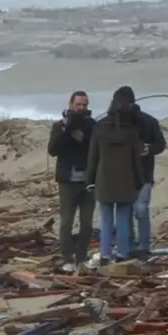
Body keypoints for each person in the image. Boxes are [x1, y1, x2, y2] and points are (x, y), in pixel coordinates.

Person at [85, 87, 146, 264]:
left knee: (105, 219)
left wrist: (90, 180)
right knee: (122, 219)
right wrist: (139, 180)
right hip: (126, 181)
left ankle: (105, 255)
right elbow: (136, 160)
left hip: (104, 180)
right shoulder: (131, 130)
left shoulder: (99, 127)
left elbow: (93, 156)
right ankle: (122, 254)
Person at [47, 90, 96, 272]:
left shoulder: (91, 125)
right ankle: (67, 258)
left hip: (88, 181)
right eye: (78, 105)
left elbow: (94, 149)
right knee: (66, 222)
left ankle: (81, 258)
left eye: (84, 105)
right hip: (68, 180)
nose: (81, 108)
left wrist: (83, 136)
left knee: (87, 223)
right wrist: (67, 130)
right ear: (71, 105)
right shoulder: (60, 126)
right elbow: (53, 150)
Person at [121, 86, 167, 259]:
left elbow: (161, 144)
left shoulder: (149, 122)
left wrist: (149, 148)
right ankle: (130, 245)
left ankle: (144, 245)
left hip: (144, 173)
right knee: (125, 211)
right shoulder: (116, 122)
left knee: (140, 210)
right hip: (123, 175)